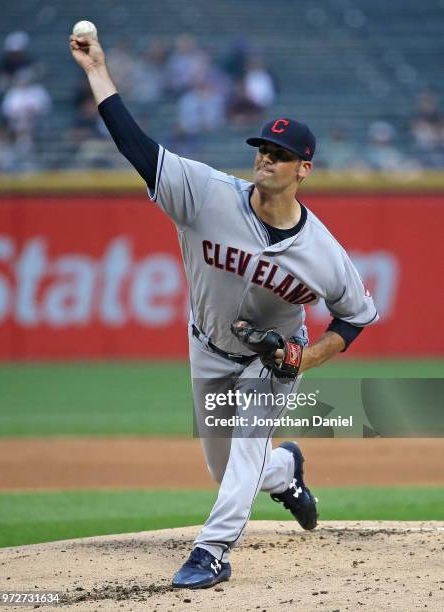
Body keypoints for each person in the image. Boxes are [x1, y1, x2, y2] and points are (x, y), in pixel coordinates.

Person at [70, 31, 378, 590]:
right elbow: (138, 148)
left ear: (303, 169)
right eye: (263, 147)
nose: (267, 157)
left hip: (269, 363)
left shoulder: (324, 254)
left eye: (281, 154)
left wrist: (301, 359)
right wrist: (97, 72)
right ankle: (287, 471)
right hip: (207, 349)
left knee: (240, 462)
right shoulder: (207, 193)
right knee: (225, 470)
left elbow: (354, 317)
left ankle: (212, 552)